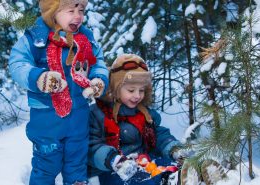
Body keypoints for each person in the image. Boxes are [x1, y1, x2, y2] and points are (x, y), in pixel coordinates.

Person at [8, 0, 109, 184]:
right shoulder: (36, 37)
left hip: (78, 120)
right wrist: (39, 77)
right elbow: (17, 63)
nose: (78, 16)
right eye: (71, 10)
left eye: (81, 10)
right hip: (47, 121)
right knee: (46, 166)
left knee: (76, 166)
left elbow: (98, 62)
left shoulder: (85, 39)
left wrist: (98, 79)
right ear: (52, 11)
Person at [87, 54, 227, 185]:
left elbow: (159, 135)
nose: (137, 95)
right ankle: (173, 180)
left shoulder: (144, 113)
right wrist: (114, 160)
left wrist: (173, 148)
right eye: (131, 90)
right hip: (115, 170)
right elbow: (93, 146)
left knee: (166, 163)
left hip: (144, 161)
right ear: (116, 88)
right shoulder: (101, 114)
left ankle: (196, 174)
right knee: (141, 178)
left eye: (141, 90)